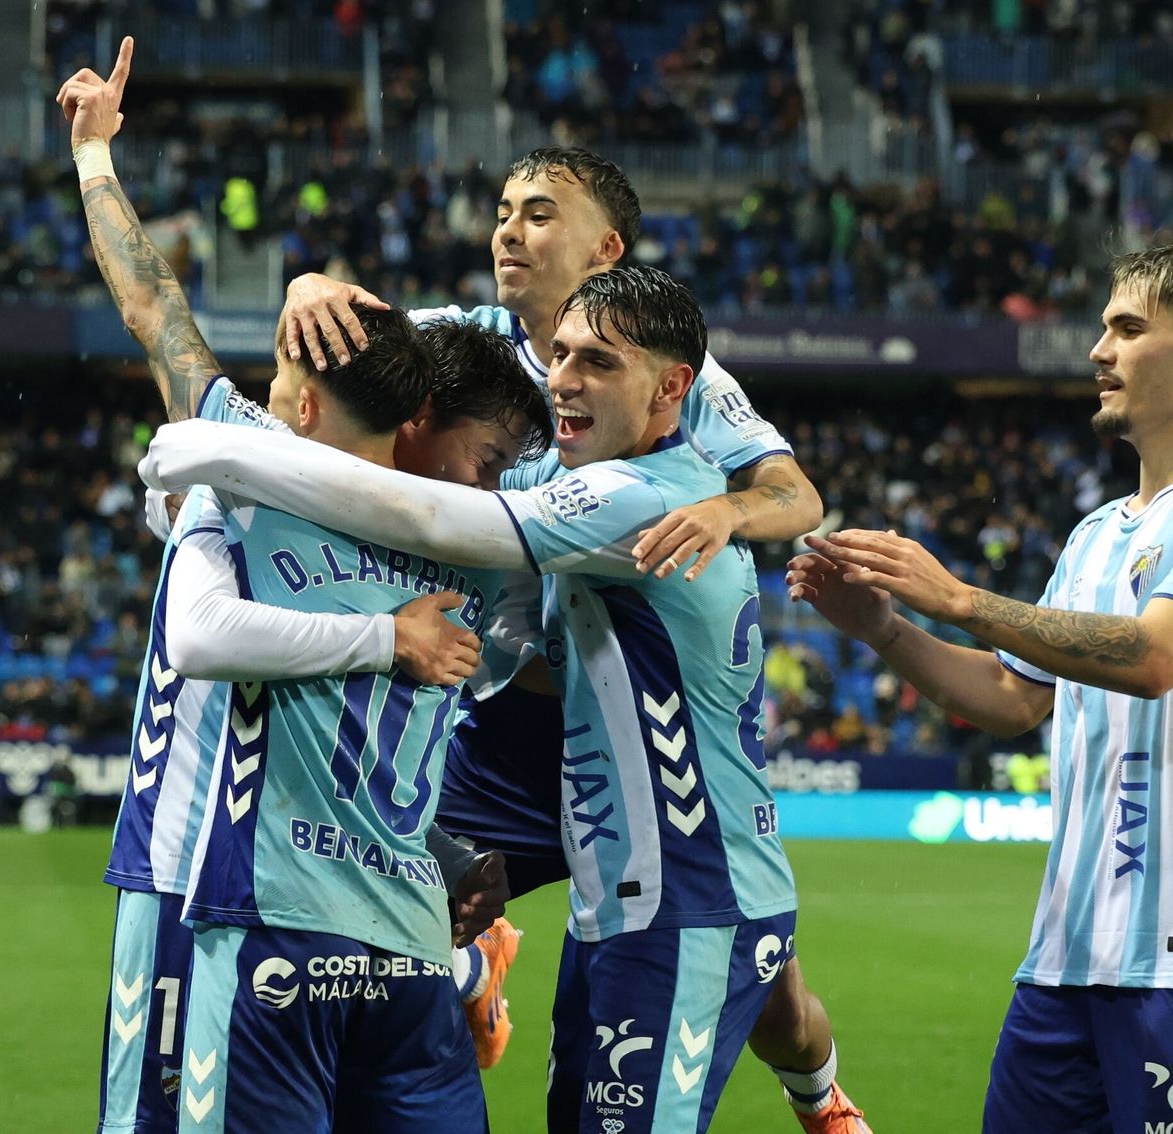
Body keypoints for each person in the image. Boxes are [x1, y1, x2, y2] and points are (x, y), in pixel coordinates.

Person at [281, 146, 866, 1132]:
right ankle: (471, 965)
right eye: (503, 209)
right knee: (378, 875)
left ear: (607, 246)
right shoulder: (457, 341)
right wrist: (306, 283)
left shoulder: (673, 375)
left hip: (641, 716)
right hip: (516, 726)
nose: (509, 229)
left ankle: (820, 1095)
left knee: (760, 980)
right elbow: (332, 345)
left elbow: (793, 494)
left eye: (540, 212)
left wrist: (725, 512)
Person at [142, 266, 797, 1134]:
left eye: (597, 363)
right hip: (618, 903)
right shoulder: (585, 493)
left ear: (674, 388)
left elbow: (442, 520)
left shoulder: (637, 494)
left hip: (689, 901)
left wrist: (229, 455)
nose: (563, 378)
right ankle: (467, 972)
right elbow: (365, 376)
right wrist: (303, 292)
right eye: (559, 355)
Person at [60, 40, 548, 1134]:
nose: (265, 397)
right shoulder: (459, 535)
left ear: (308, 401)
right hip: (296, 909)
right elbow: (158, 314)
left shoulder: (242, 457)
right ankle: (471, 974)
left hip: (309, 915)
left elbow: (158, 310)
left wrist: (95, 159)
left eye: (284, 380)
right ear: (417, 420)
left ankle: (469, 971)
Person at [787, 244, 1173, 1132]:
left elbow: (1155, 656)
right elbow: (1007, 696)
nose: (1098, 351)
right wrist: (883, 628)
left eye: (1127, 328)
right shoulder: (1095, 533)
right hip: (1060, 965)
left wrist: (958, 596)